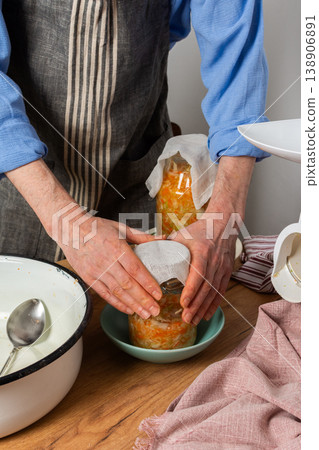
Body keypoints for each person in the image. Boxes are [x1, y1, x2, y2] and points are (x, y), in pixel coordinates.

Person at [0, 0, 269, 326]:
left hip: (134, 166)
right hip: (22, 182)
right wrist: (66, 221)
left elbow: (237, 60)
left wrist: (224, 218)